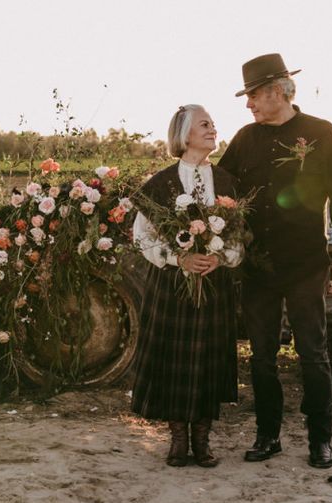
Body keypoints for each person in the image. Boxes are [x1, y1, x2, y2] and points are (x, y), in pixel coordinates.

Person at [218, 53, 332, 469]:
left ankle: (321, 439)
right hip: (257, 267)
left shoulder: (323, 133)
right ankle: (268, 436)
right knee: (261, 357)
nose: (248, 105)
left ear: (277, 92)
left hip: (306, 264)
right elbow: (221, 190)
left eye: (253, 96)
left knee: (313, 355)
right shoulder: (245, 138)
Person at [131, 105, 244, 468]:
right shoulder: (161, 183)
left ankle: (202, 439)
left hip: (215, 285)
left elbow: (240, 239)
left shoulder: (227, 182)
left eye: (213, 124)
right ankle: (178, 439)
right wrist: (177, 259)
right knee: (174, 361)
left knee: (209, 359)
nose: (213, 129)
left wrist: (220, 257)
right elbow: (141, 237)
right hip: (172, 286)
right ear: (184, 134)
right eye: (205, 124)